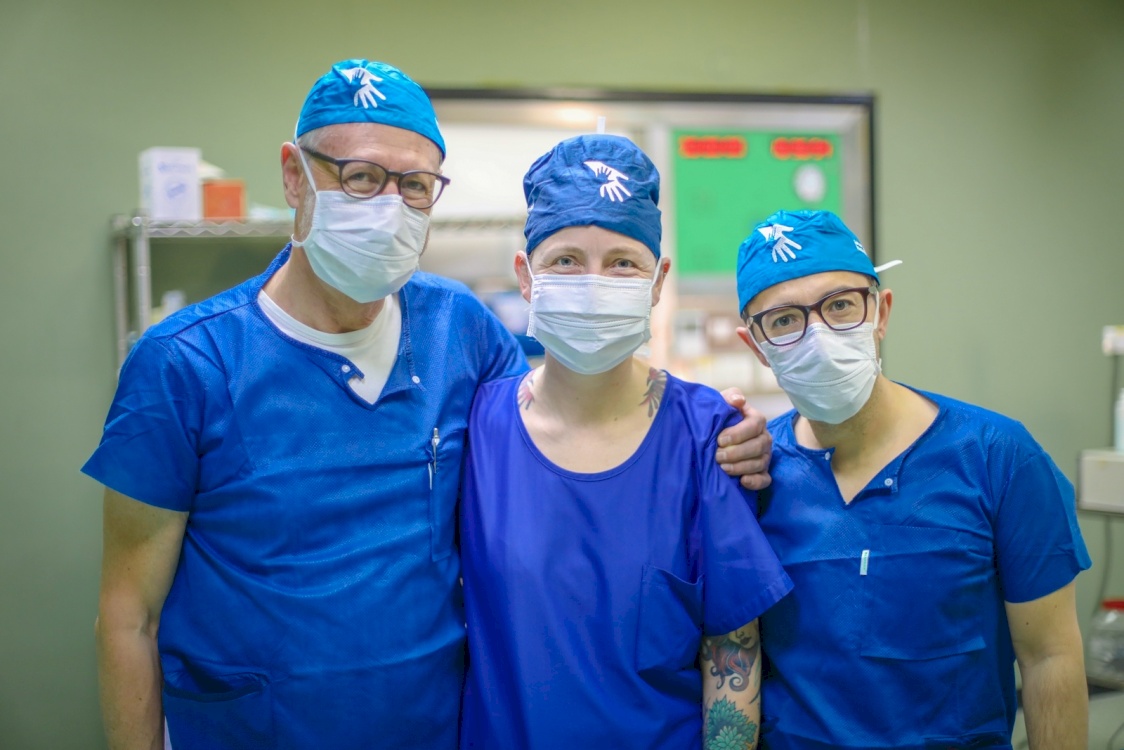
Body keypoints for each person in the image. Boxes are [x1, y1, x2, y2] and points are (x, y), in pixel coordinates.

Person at [82, 59, 774, 750]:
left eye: (414, 185)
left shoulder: (457, 329)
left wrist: (715, 425)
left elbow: (574, 404)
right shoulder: (185, 363)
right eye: (360, 177)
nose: (388, 205)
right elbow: (128, 617)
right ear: (294, 175)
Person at [459, 134, 794, 750]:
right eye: (565, 260)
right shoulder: (477, 429)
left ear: (658, 280)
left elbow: (733, 653)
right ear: (525, 277)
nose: (593, 283)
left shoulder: (706, 435)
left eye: (622, 263)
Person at [733, 209, 1092, 750]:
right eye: (783, 320)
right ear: (756, 346)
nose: (819, 335)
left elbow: (1049, 656)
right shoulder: (753, 477)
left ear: (880, 312)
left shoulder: (997, 457)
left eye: (840, 305)